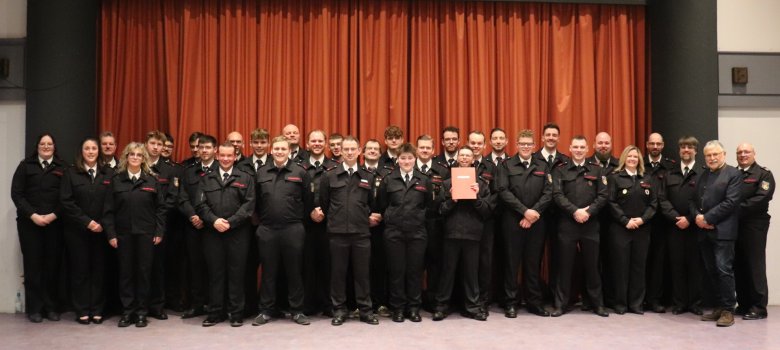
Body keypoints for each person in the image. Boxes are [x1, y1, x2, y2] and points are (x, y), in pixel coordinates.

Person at [319, 136, 382, 326]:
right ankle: (339, 309)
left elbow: (373, 204)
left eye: (352, 149)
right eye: (345, 149)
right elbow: (324, 202)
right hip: (337, 233)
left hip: (361, 233)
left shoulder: (368, 175)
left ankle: (365, 310)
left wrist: (367, 218)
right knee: (338, 274)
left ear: (359, 150)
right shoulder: (329, 175)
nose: (348, 152)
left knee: (362, 274)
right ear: (340, 151)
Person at [103, 142, 168, 327]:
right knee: (125, 274)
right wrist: (111, 234)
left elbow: (161, 209)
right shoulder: (117, 180)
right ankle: (127, 312)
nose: (135, 158)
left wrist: (159, 231)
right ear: (126, 157)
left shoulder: (151, 180)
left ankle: (141, 313)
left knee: (144, 274)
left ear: (143, 158)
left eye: (139, 155)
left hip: (146, 235)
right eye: (132, 154)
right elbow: (108, 211)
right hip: (123, 235)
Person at [253, 136, 313, 326]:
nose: (279, 152)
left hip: (292, 229)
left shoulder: (300, 172)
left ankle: (297, 310)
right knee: (268, 271)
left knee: (294, 271)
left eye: (283, 149)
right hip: (267, 229)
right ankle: (266, 310)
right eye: (276, 149)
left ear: (289, 151)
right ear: (271, 150)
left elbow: (308, 201)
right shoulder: (261, 172)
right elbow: (255, 201)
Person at [196, 142, 255, 327]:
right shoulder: (207, 178)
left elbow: (249, 205)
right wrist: (214, 220)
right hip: (212, 233)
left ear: (235, 156)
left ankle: (236, 313)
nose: (226, 159)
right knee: (215, 273)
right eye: (223, 155)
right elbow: (200, 205)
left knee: (237, 274)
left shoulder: (245, 177)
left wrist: (231, 222)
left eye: (230, 155)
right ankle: (215, 313)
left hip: (238, 233)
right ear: (217, 154)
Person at [550, 135, 609, 317]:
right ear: (570, 148)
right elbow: (557, 195)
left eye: (582, 147)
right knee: (565, 266)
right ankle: (561, 304)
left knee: (592, 266)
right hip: (568, 223)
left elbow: (603, 195)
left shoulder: (597, 169)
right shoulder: (560, 170)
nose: (578, 150)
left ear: (587, 148)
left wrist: (588, 212)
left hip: (590, 224)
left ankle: (597, 304)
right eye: (575, 147)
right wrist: (575, 211)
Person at [495, 130, 552, 318]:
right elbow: (503, 190)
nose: (526, 147)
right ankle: (511, 302)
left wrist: (533, 212)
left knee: (533, 263)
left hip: (537, 221)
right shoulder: (506, 165)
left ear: (534, 145)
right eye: (522, 144)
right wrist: (524, 211)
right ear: (517, 145)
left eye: (529, 144)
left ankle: (534, 302)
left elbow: (549, 192)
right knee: (511, 264)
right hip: (512, 221)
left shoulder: (543, 166)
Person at [432, 147, 493, 321]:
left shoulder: (481, 184)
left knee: (471, 273)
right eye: (462, 155)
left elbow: (487, 212)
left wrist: (476, 198)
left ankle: (472, 307)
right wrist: (452, 200)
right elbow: (440, 211)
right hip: (451, 233)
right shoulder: (446, 183)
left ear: (473, 159)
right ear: (457, 159)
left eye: (468, 155)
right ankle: (442, 306)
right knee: (447, 272)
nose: (465, 158)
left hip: (473, 234)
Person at [11, 133, 66, 323]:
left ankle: (51, 308)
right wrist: (33, 216)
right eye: (43, 143)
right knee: (33, 267)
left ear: (54, 147)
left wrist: (52, 216)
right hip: (29, 224)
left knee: (52, 267)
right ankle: (34, 309)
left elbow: (66, 197)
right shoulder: (25, 166)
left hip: (55, 224)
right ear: (37, 146)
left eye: (49, 143)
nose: (46, 146)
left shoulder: (62, 167)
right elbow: (17, 194)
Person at [60, 138, 115, 324]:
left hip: (101, 231)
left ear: (98, 151)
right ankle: (82, 310)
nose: (91, 151)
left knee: (99, 271)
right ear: (81, 151)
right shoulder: (71, 172)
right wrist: (87, 222)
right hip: (77, 232)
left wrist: (101, 224)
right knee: (80, 271)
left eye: (94, 148)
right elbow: (66, 201)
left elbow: (111, 202)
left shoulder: (108, 173)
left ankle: (97, 309)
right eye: (87, 148)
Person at [376, 143, 432, 322]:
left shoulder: (424, 179)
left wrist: (419, 218)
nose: (406, 161)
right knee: (396, 272)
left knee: (415, 272)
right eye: (403, 158)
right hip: (394, 233)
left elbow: (429, 206)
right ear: (397, 160)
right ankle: (398, 309)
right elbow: (382, 204)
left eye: (409, 158)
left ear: (415, 159)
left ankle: (414, 308)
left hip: (417, 233)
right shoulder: (388, 179)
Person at [692, 140, 741, 327]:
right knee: (712, 271)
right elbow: (693, 201)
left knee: (723, 270)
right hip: (705, 232)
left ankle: (729, 310)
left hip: (723, 232)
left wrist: (708, 219)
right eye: (709, 155)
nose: (712, 158)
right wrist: (697, 216)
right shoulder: (704, 175)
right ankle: (720, 306)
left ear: (724, 154)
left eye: (715, 154)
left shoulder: (733, 174)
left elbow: (731, 202)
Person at [606, 145, 657, 315]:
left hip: (642, 230)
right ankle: (620, 304)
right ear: (624, 159)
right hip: (621, 229)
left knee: (638, 267)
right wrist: (625, 220)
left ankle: (636, 304)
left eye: (635, 157)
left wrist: (642, 219)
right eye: (630, 157)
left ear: (639, 160)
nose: (633, 159)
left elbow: (653, 204)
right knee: (620, 267)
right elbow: (611, 202)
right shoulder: (615, 178)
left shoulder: (647, 178)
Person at [657, 136, 704, 315]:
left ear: (695, 151)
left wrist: (690, 219)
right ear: (679, 150)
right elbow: (662, 199)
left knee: (695, 266)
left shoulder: (702, 173)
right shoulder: (670, 173)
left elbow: (705, 200)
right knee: (676, 266)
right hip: (674, 227)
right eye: (683, 147)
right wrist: (677, 218)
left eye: (690, 147)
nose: (686, 150)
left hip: (695, 227)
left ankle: (695, 303)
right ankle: (679, 303)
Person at [177, 134, 219, 319]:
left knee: (214, 266)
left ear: (215, 150)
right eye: (201, 147)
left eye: (207, 147)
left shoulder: (221, 169)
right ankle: (197, 304)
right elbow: (182, 197)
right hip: (193, 226)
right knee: (195, 266)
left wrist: (207, 218)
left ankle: (214, 303)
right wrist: (193, 215)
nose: (203, 150)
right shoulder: (188, 172)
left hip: (213, 227)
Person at [734, 143, 774, 320]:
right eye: (740, 152)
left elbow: (761, 198)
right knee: (739, 264)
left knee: (754, 264)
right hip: (734, 225)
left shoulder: (764, 174)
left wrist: (734, 209)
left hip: (754, 225)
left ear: (753, 154)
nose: (743, 155)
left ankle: (758, 306)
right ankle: (743, 304)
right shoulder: (733, 174)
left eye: (746, 152)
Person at [302, 130, 339, 316]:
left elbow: (339, 197)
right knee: (306, 266)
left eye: (320, 141)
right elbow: (295, 197)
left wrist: (325, 212)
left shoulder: (334, 166)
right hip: (306, 224)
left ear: (326, 144)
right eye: (313, 141)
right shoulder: (299, 167)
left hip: (328, 224)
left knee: (328, 266)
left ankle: (327, 305)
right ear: (307, 144)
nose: (316, 143)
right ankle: (307, 305)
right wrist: (309, 211)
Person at [234, 128, 270, 316]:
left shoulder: (275, 162)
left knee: (271, 267)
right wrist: (250, 214)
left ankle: (271, 306)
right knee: (247, 266)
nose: (259, 146)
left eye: (263, 142)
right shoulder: (241, 165)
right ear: (250, 144)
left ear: (268, 144)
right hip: (246, 225)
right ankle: (249, 306)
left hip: (268, 223)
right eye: (256, 142)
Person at [415, 134, 450, 311]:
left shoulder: (442, 170)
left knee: (436, 264)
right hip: (414, 224)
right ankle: (414, 300)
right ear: (416, 149)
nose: (425, 150)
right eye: (422, 147)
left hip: (436, 223)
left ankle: (434, 300)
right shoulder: (409, 167)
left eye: (428, 148)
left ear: (433, 150)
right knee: (415, 264)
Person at [643, 133, 676, 313]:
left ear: (662, 146)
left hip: (663, 221)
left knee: (658, 263)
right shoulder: (639, 163)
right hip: (641, 220)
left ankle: (655, 299)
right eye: (652, 143)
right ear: (647, 145)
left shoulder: (670, 166)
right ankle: (639, 298)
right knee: (640, 262)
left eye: (658, 144)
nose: (655, 146)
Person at [468, 130, 498, 312]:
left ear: (484, 145)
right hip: (465, 221)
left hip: (486, 220)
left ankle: (483, 300)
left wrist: (485, 208)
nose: (476, 146)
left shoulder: (491, 167)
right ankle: (467, 298)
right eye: (472, 143)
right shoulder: (461, 164)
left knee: (485, 261)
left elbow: (496, 193)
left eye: (479, 143)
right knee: (468, 262)